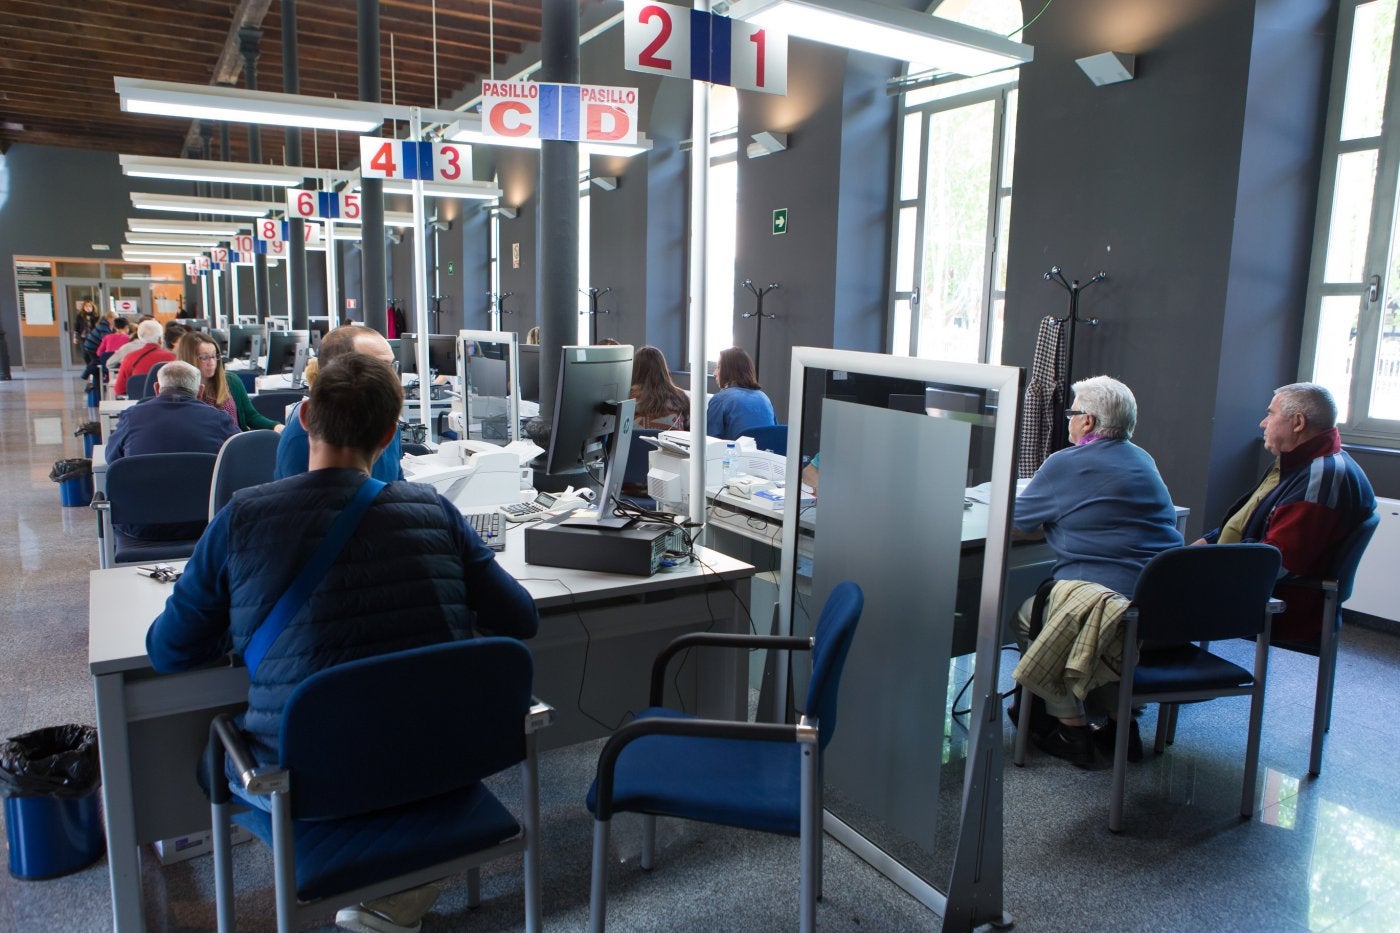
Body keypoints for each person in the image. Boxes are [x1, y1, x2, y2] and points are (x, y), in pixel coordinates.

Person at [146, 353, 538, 933]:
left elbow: (169, 651)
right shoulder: (433, 508)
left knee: (216, 750)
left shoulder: (242, 518)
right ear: (387, 436)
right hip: (441, 758)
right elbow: (519, 618)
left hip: (305, 782)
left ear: (303, 416)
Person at [1010, 375, 1183, 768]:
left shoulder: (1065, 463)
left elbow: (1016, 521)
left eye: (1071, 413)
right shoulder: (1143, 459)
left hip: (1102, 598)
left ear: (1087, 421)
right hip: (1157, 600)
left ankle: (1070, 727)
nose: (1068, 420)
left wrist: (1046, 521)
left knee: (1025, 620)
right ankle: (1122, 727)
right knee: (1112, 633)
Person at [1194, 382, 1375, 644]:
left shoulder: (1320, 477)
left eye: (1271, 413)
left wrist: (1202, 565)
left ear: (1298, 422)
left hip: (1275, 603)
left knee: (1150, 608)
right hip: (1246, 580)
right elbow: (1249, 520)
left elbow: (1279, 563)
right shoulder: (1298, 464)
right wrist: (1208, 543)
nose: (1262, 423)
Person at [105, 360, 240, 541]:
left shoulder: (132, 416)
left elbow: (112, 459)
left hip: (140, 525)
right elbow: (240, 457)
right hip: (205, 522)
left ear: (156, 387)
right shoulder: (218, 419)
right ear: (199, 391)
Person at [275, 325, 405, 482]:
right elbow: (297, 502)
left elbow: (395, 484)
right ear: (339, 371)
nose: (391, 377)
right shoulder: (301, 436)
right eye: (380, 367)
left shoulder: (387, 422)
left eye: (391, 366)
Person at [175, 331, 282, 433]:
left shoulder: (231, 381)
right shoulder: (178, 390)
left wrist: (275, 426)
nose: (212, 362)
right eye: (204, 357)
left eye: (214, 356)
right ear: (190, 359)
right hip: (206, 447)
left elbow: (251, 416)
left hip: (235, 445)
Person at [706, 346, 775, 440]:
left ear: (728, 371)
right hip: (766, 454)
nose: (715, 373)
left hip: (735, 453)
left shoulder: (720, 399)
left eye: (718, 367)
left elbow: (709, 440)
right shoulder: (764, 398)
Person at [629, 345, 689, 430]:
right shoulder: (681, 396)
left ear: (635, 368)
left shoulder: (627, 397)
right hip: (671, 442)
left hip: (636, 443)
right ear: (663, 368)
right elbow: (691, 432)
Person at [113, 320, 178, 398]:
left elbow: (119, 389)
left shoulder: (130, 358)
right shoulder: (174, 358)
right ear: (160, 339)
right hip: (169, 405)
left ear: (140, 338)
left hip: (139, 405)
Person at [80, 310, 117, 381]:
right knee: (96, 363)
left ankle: (90, 376)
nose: (115, 320)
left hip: (96, 347)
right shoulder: (104, 325)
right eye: (114, 318)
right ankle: (87, 374)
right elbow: (106, 338)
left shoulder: (111, 326)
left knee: (97, 363)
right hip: (92, 347)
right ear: (109, 318)